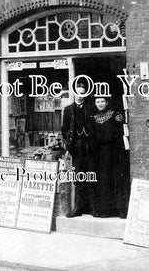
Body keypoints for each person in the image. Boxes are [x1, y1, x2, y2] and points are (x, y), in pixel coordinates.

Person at [61, 82, 96, 218]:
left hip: (89, 147)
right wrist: (69, 145)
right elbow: (64, 129)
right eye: (78, 93)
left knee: (92, 175)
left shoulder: (90, 108)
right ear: (74, 93)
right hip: (77, 148)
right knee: (78, 177)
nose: (80, 96)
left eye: (83, 93)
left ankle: (93, 208)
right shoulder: (69, 109)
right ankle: (78, 208)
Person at [92, 96, 130, 218]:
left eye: (102, 101)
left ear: (107, 102)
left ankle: (120, 209)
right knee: (104, 180)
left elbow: (120, 132)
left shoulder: (114, 115)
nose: (100, 104)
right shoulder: (93, 118)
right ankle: (105, 209)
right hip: (101, 154)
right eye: (98, 102)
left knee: (116, 178)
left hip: (114, 152)